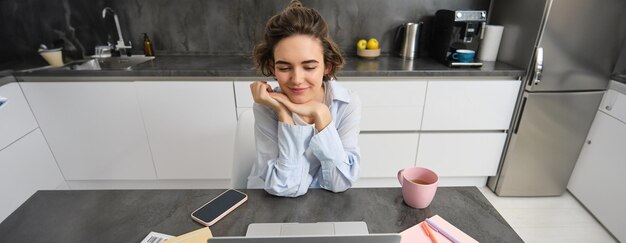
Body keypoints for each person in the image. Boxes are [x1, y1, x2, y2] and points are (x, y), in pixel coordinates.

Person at [247, 0, 361, 197]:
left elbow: (339, 183)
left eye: (309, 67)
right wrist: (284, 113)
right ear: (272, 67)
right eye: (284, 68)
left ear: (327, 66)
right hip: (271, 204)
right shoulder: (267, 106)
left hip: (324, 204)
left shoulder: (347, 104)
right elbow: (284, 187)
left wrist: (322, 114)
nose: (297, 80)